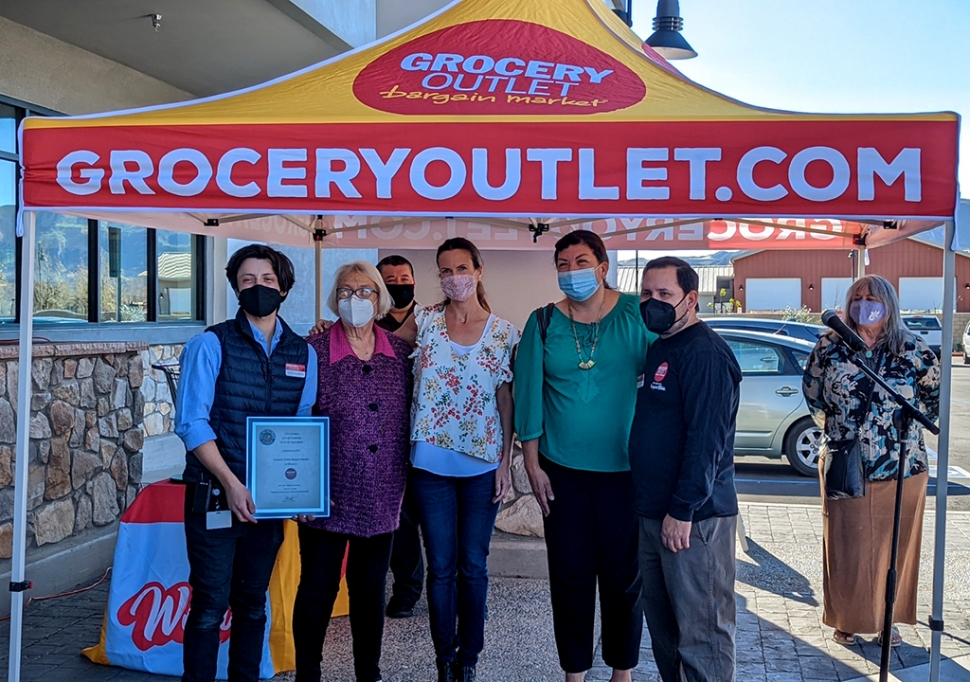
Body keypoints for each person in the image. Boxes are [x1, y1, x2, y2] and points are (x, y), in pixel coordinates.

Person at [514, 231, 653, 682]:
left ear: (603, 266)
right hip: (561, 471)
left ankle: (622, 669)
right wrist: (532, 463)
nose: (571, 271)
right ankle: (574, 670)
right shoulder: (542, 323)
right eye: (563, 263)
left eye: (581, 261)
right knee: (570, 574)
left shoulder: (638, 314)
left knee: (623, 576)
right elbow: (528, 397)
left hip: (626, 470)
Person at [174, 244, 317, 682]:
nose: (259, 288)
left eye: (268, 280)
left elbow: (303, 425)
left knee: (254, 603)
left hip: (267, 503)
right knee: (209, 605)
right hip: (215, 495)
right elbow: (192, 424)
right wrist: (232, 483)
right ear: (236, 287)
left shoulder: (303, 353)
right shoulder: (209, 344)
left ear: (284, 287)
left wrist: (303, 488)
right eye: (249, 281)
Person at [803, 274, 940, 648]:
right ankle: (847, 619)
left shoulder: (913, 349)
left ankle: (887, 621)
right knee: (848, 548)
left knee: (892, 549)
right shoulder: (830, 347)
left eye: (872, 297)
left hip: (902, 465)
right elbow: (814, 396)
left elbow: (932, 400)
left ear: (889, 304)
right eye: (857, 297)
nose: (864, 303)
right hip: (848, 462)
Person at [294, 261, 413, 682]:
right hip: (327, 493)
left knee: (369, 591)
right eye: (345, 292)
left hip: (382, 493)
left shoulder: (400, 354)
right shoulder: (316, 351)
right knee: (317, 589)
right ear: (334, 299)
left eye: (364, 291)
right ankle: (308, 674)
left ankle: (369, 673)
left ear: (379, 299)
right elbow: (300, 421)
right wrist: (308, 484)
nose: (354, 299)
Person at [409, 238, 518, 682]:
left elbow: (507, 401)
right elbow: (373, 342)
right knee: (440, 567)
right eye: (445, 270)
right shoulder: (425, 323)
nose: (453, 277)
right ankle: (444, 655)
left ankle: (469, 656)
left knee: (473, 565)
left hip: (481, 466)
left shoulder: (504, 333)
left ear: (478, 270)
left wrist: (506, 462)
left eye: (460, 267)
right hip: (430, 464)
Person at [629, 256, 742, 682]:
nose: (652, 302)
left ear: (690, 299)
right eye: (646, 293)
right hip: (654, 514)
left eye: (664, 295)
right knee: (667, 637)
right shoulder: (661, 345)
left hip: (693, 520)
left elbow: (707, 442)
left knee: (703, 637)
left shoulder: (706, 353)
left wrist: (682, 509)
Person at [375, 254, 425, 619]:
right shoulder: (366, 324)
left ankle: (458, 592)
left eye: (404, 277)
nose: (398, 283)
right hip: (387, 437)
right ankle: (407, 590)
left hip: (429, 434)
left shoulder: (434, 320)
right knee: (402, 519)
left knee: (441, 520)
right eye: (389, 279)